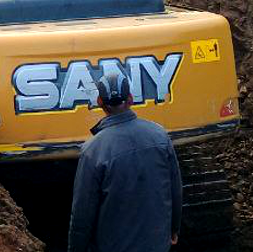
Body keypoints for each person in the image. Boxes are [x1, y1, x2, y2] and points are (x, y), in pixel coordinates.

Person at [67, 71, 182, 252]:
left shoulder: (93, 150)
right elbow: (175, 190)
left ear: (100, 102)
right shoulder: (160, 136)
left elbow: (83, 213)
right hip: (157, 244)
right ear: (130, 99)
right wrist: (174, 228)